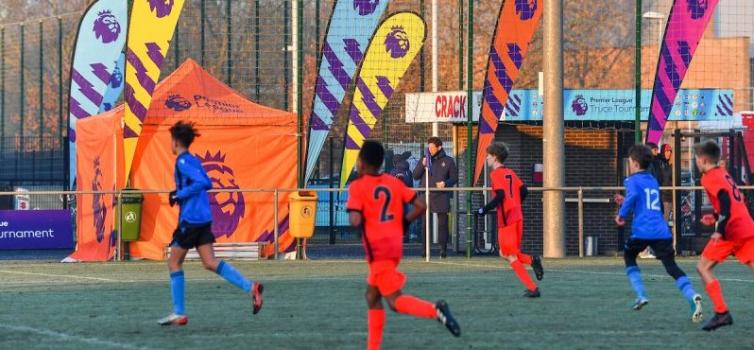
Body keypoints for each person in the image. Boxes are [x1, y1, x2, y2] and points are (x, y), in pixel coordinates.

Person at [346, 140, 461, 349]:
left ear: (361, 162)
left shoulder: (358, 186)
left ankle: (436, 310)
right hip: (393, 245)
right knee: (372, 296)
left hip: (378, 249)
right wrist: (403, 222)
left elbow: (354, 220)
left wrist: (361, 219)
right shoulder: (393, 182)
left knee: (394, 301)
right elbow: (421, 205)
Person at [158, 121, 263, 326]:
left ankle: (179, 313)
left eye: (171, 140)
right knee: (209, 262)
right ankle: (251, 287)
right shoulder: (193, 159)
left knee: (173, 263)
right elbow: (202, 181)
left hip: (191, 219)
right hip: (203, 218)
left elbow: (205, 182)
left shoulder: (182, 162)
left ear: (176, 141)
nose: (170, 144)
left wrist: (180, 194)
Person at [615, 145, 702, 321]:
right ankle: (692, 295)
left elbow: (633, 198)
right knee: (671, 267)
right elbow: (644, 200)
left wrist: (621, 214)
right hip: (661, 231)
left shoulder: (630, 180)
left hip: (642, 230)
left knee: (629, 257)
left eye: (630, 161)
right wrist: (627, 201)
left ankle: (641, 294)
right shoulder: (653, 180)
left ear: (635, 163)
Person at [693, 140, 754, 331]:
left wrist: (719, 229)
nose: (696, 163)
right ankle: (721, 313)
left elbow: (726, 201)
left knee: (703, 267)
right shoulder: (724, 174)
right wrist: (715, 217)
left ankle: (722, 312)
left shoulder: (709, 176)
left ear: (702, 160)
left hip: (731, 231)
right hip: (746, 226)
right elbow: (736, 200)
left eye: (696, 159)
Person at [477, 142, 543, 298]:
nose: (486, 159)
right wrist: (515, 204)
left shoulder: (495, 174)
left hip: (507, 219)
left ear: (494, 157)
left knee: (510, 255)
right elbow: (524, 191)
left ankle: (533, 288)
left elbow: (500, 196)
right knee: (504, 252)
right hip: (517, 215)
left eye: (487, 156)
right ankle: (532, 260)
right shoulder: (510, 172)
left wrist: (483, 210)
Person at [412, 137, 458, 258]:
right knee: (424, 224)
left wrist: (445, 183)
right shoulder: (425, 159)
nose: (430, 149)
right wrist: (422, 165)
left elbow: (454, 178)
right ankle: (424, 250)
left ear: (439, 147)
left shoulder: (448, 161)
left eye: (432, 147)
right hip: (425, 196)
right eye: (429, 147)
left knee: (442, 224)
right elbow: (415, 176)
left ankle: (443, 250)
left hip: (441, 196)